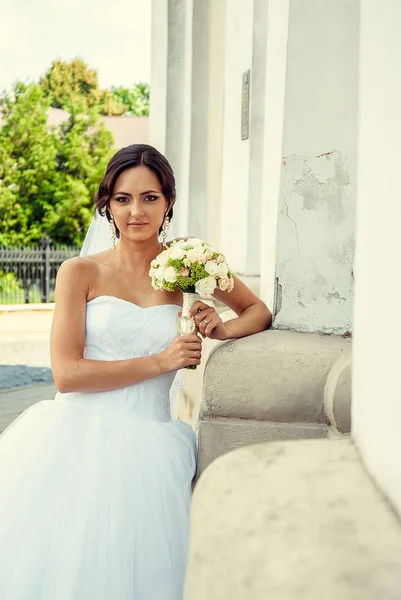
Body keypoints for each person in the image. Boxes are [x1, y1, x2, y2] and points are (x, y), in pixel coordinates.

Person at [0, 144, 271, 599]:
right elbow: (67, 374)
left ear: (168, 202)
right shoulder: (78, 271)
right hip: (76, 443)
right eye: (122, 199)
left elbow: (257, 310)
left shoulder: (189, 265)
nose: (136, 211)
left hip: (151, 446)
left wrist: (221, 327)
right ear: (107, 205)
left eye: (149, 197)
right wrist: (162, 362)